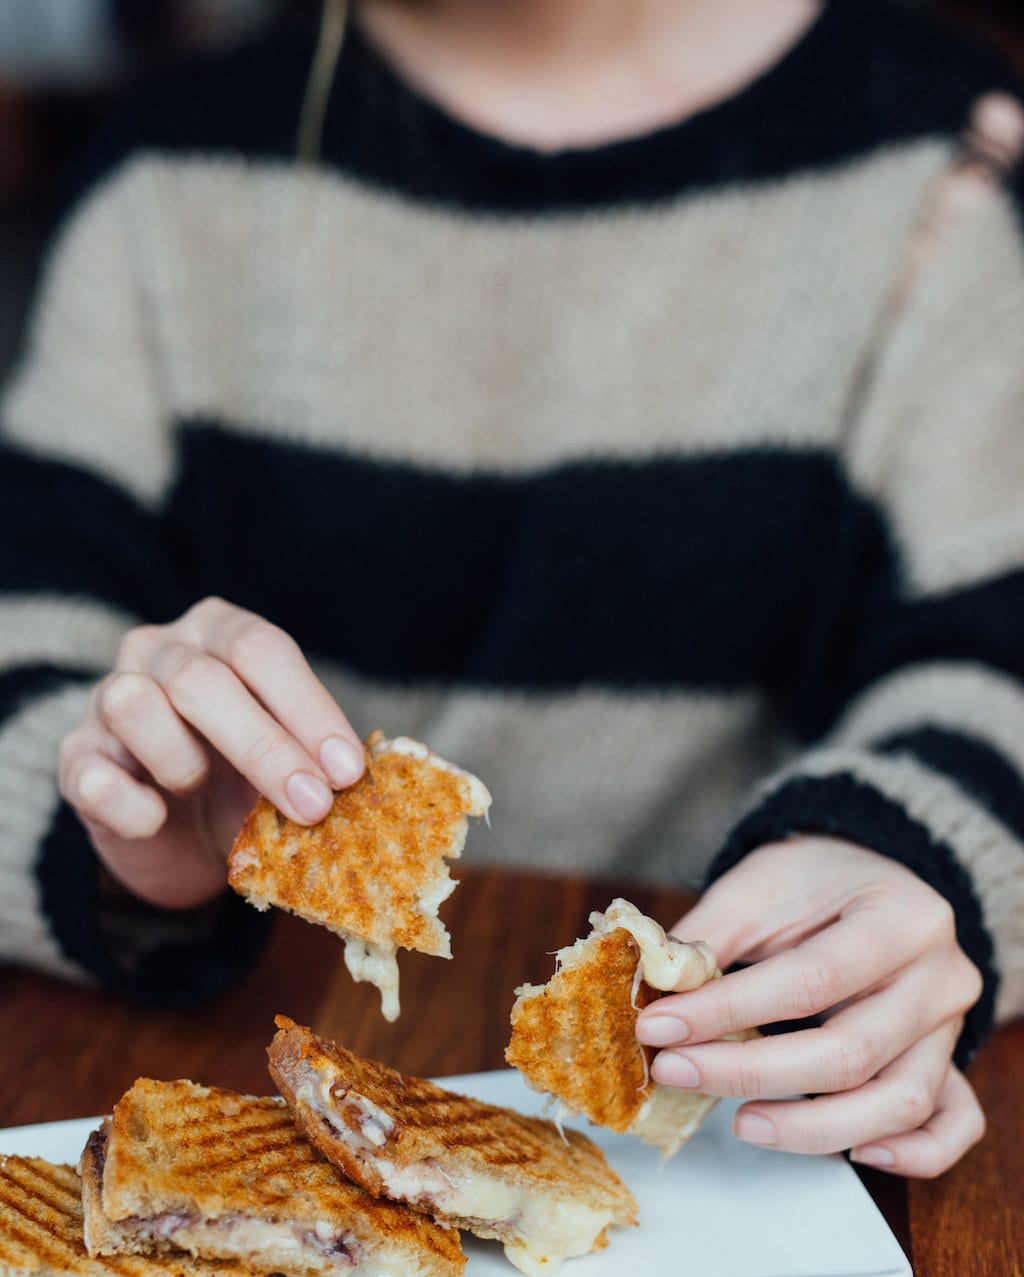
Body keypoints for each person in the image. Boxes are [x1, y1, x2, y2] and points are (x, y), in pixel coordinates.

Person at [2, 0, 1022, 1179]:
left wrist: (901, 854)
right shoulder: (168, 179)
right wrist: (116, 817)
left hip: (737, 1145)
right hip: (243, 1080)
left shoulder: (936, 159)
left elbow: (989, 663)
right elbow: (29, 648)